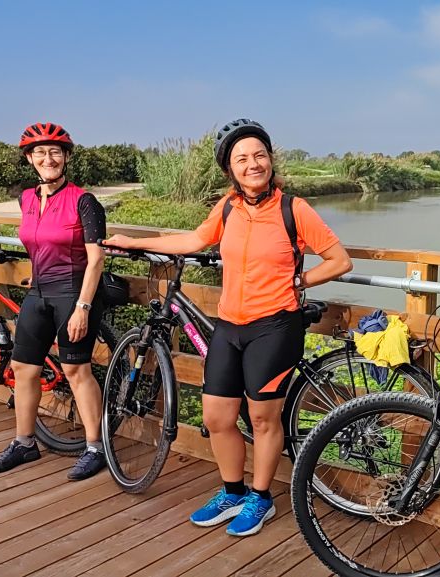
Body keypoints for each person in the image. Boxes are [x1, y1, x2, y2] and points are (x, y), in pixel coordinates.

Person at [105, 119, 352, 537]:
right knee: (217, 417)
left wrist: (299, 281)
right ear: (230, 169)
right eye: (242, 159)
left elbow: (340, 260)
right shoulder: (227, 208)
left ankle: (261, 498)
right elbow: (192, 242)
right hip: (230, 326)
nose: (253, 164)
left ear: (270, 161)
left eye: (259, 155)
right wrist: (134, 243)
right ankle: (232, 492)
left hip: (275, 325)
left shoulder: (294, 209)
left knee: (263, 418)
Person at [0, 123, 109, 481]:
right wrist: (37, 272)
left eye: (55, 151)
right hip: (39, 291)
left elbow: (96, 259)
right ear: (30, 159)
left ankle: (95, 447)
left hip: (73, 293)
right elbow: (37, 241)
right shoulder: (26, 198)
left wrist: (83, 307)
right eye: (39, 152)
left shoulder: (84, 201)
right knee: (23, 367)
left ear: (66, 156)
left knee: (76, 370)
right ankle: (24, 442)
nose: (48, 158)